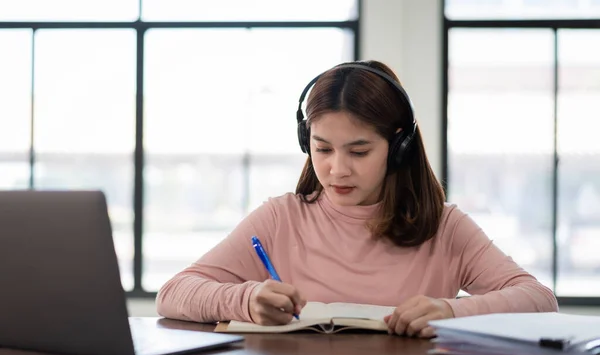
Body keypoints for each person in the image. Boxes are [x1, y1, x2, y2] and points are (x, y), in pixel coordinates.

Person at [156, 60, 558, 338]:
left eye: (359, 151)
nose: (337, 169)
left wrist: (451, 312)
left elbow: (540, 300)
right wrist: (245, 298)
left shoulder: (445, 227)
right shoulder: (282, 218)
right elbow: (173, 293)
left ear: (398, 147)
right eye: (323, 149)